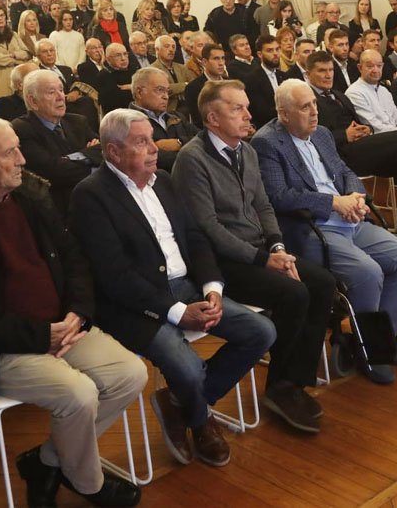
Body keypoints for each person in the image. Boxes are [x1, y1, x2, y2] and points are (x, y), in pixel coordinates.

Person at [0, 116, 144, 507]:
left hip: (62, 326)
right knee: (79, 393)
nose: (22, 159)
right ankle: (89, 484)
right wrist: (40, 336)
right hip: (2, 347)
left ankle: (46, 461)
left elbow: (73, 259)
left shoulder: (31, 196)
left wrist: (78, 313)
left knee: (130, 374)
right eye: (10, 152)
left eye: (19, 147)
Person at [69, 108, 276, 468]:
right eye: (141, 142)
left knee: (261, 331)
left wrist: (212, 287)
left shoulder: (162, 180)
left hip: (188, 287)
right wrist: (178, 312)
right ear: (114, 152)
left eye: (152, 139)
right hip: (135, 304)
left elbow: (195, 238)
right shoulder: (90, 195)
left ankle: (181, 402)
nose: (154, 149)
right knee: (189, 367)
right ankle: (200, 420)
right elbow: (114, 276)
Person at [171, 80, 334, 432]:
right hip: (223, 262)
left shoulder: (245, 150)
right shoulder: (192, 159)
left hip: (260, 250)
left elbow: (263, 204)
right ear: (213, 118)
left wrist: (276, 247)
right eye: (238, 109)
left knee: (323, 283)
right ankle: (280, 384)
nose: (249, 115)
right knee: (294, 292)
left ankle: (294, 380)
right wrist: (263, 260)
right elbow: (208, 228)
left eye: (246, 107)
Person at [252, 81, 397, 384]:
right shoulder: (268, 143)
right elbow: (279, 196)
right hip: (312, 229)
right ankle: (370, 353)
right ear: (284, 114)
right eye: (305, 107)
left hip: (349, 220)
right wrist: (333, 202)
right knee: (368, 273)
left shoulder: (323, 134)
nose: (314, 112)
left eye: (314, 104)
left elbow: (345, 172)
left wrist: (355, 197)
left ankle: (385, 340)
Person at [307, 51, 397, 251]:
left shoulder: (339, 95)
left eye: (330, 70)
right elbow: (311, 136)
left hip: (361, 147)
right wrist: (344, 135)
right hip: (339, 157)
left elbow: (364, 123)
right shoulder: (309, 100)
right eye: (322, 71)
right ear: (308, 74)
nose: (328, 75)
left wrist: (367, 129)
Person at [12, 70, 104, 214]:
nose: (61, 96)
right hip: (57, 209)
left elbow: (104, 152)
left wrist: (70, 159)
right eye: (51, 92)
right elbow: (53, 171)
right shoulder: (21, 128)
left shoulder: (77, 121)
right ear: (33, 101)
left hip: (93, 199)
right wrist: (90, 160)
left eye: (61, 90)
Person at [128, 67, 198, 173]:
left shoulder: (176, 116)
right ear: (139, 92)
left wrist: (180, 142)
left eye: (167, 91)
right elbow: (151, 158)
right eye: (160, 90)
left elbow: (203, 139)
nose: (166, 96)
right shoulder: (129, 123)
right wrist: (192, 153)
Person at [0, 7, 31, 114]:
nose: (0, 18)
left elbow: (26, 53)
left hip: (16, 74)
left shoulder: (14, 34)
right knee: (1, 107)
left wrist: (13, 54)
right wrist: (18, 60)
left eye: (2, 15)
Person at [242, 35, 288, 128]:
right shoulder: (251, 80)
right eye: (270, 50)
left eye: (277, 49)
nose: (275, 53)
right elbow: (261, 112)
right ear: (259, 54)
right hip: (267, 127)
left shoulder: (284, 76)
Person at [182, 43, 226, 126]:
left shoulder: (230, 82)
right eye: (216, 59)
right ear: (205, 62)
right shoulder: (193, 88)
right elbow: (199, 121)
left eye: (223, 58)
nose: (221, 63)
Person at [90, 42, 136, 114]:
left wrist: (132, 87)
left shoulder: (134, 69)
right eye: (118, 55)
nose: (123, 58)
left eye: (125, 54)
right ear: (108, 59)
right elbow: (113, 103)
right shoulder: (103, 76)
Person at [150, 35, 191, 113]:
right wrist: (185, 85)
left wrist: (178, 88)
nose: (171, 50)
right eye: (167, 46)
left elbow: (193, 84)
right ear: (157, 49)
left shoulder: (182, 67)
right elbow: (164, 89)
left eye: (173, 47)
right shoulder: (153, 70)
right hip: (168, 109)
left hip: (188, 105)